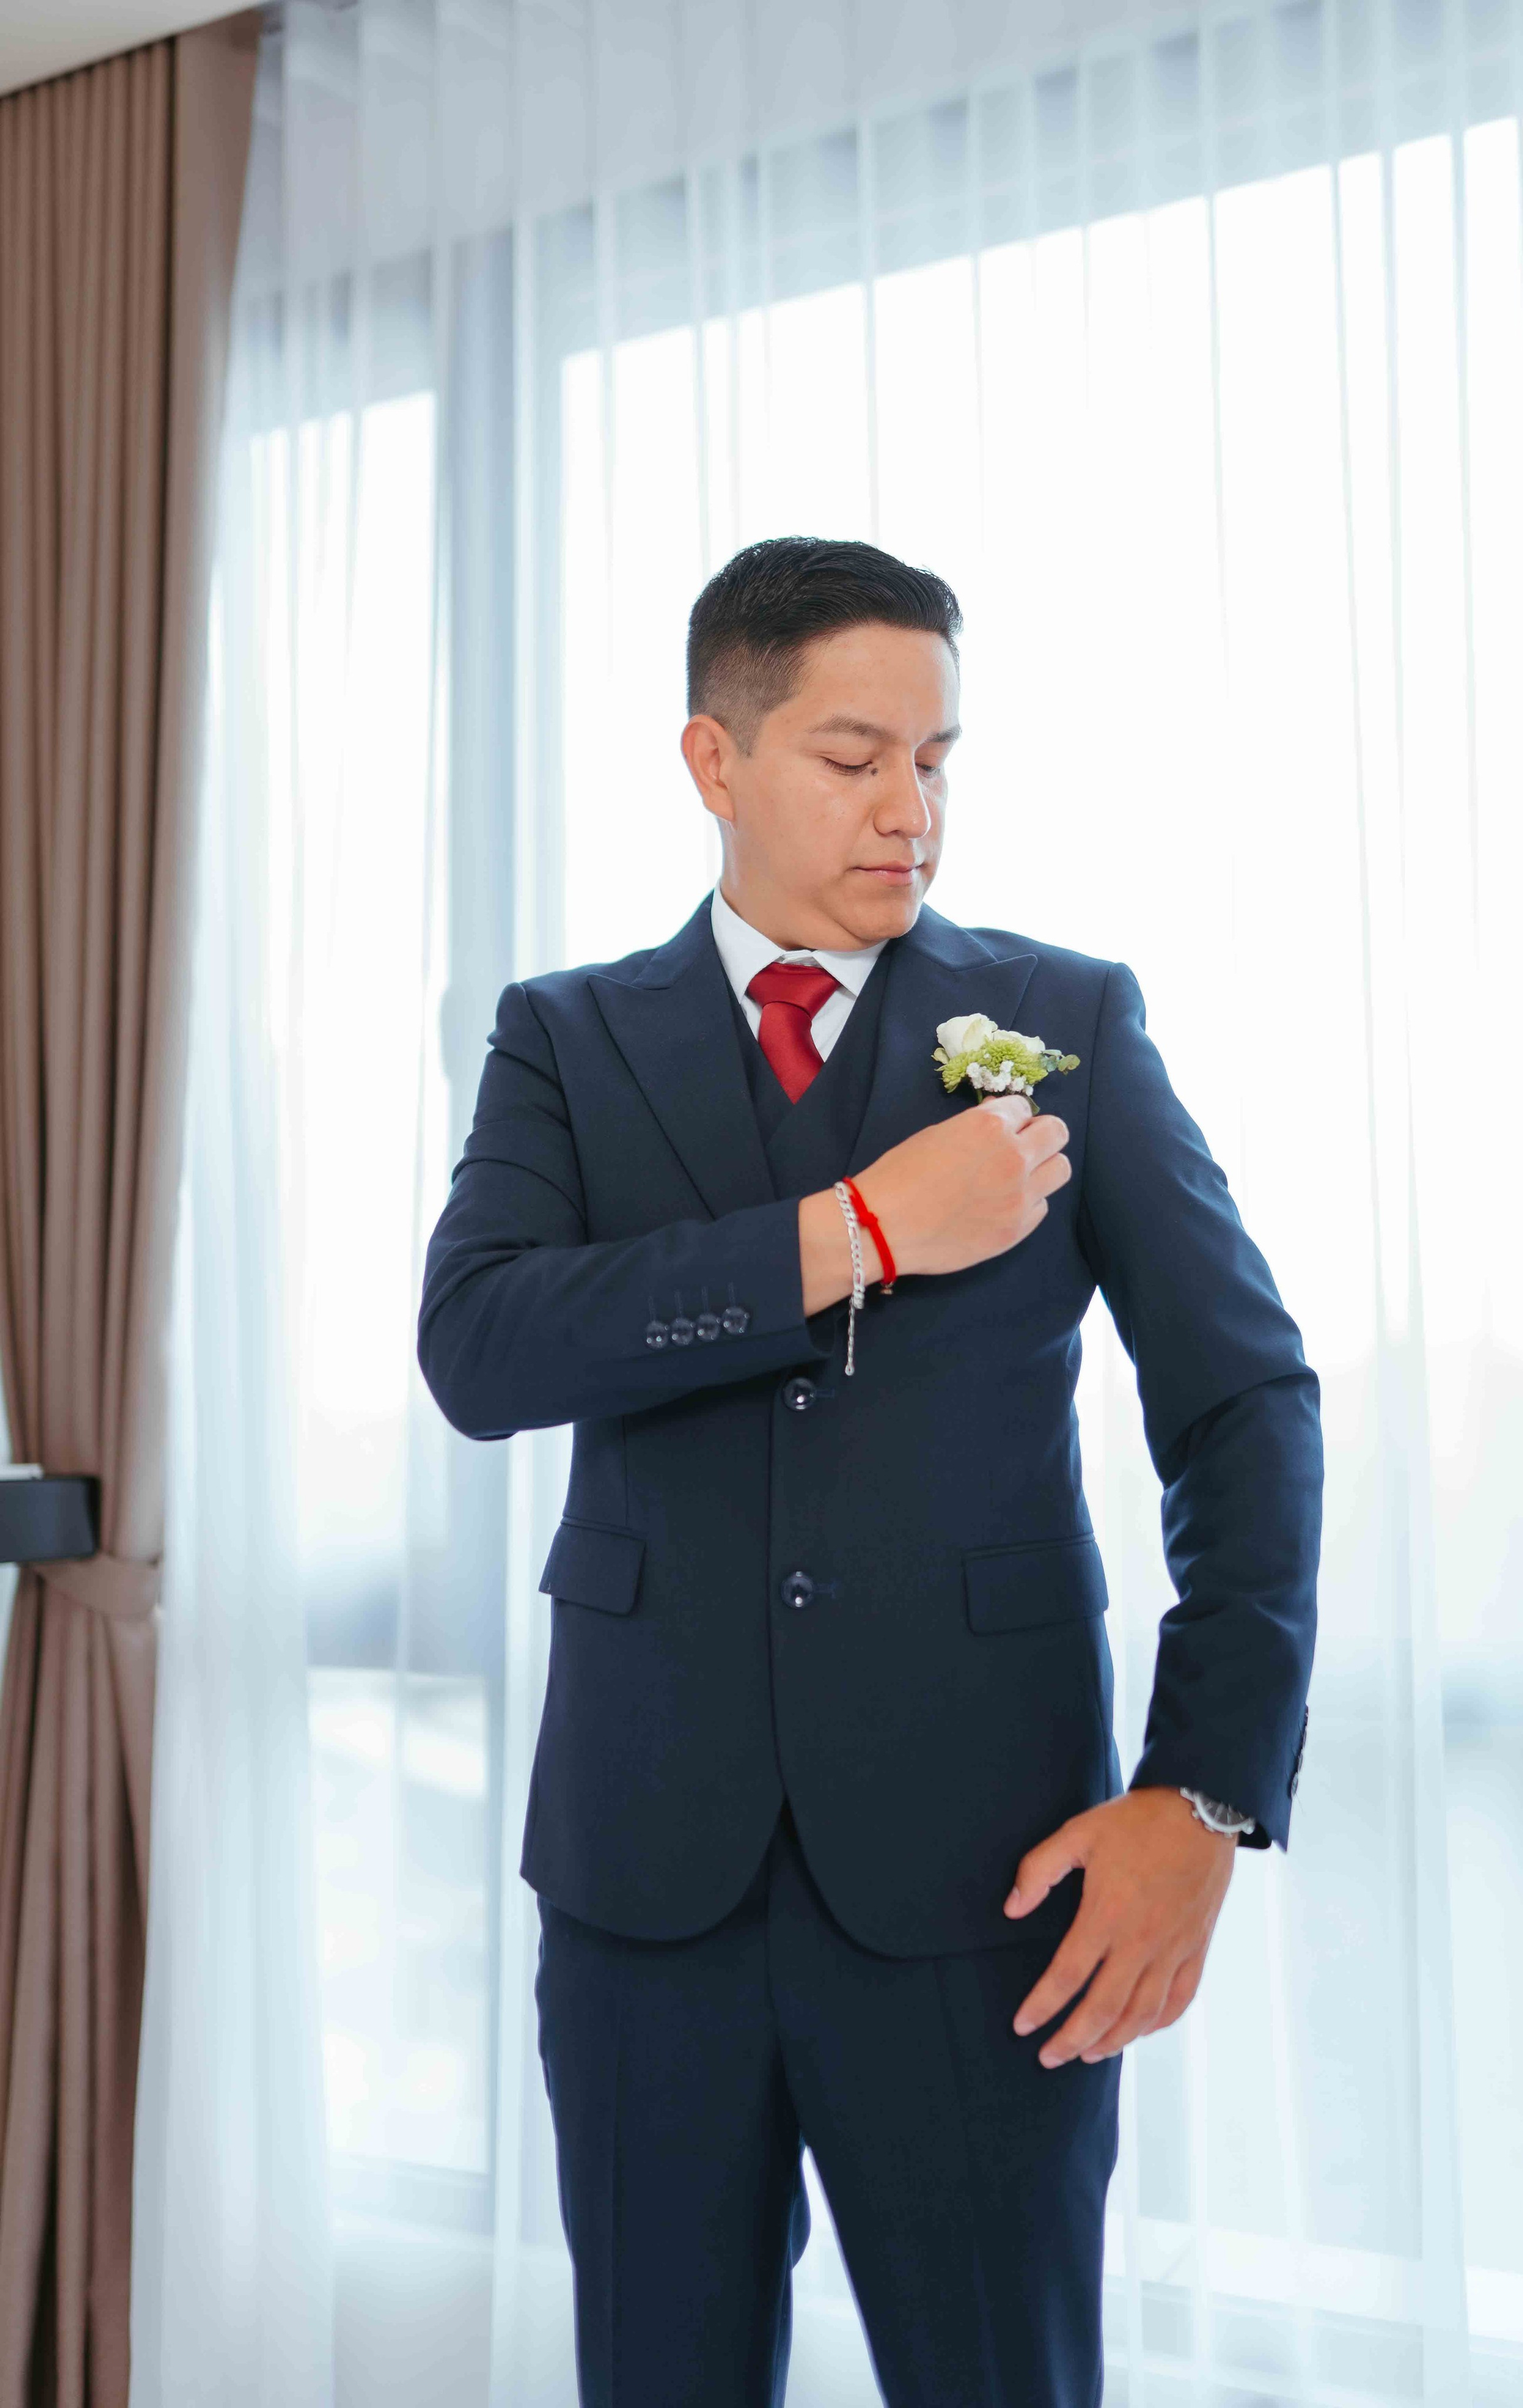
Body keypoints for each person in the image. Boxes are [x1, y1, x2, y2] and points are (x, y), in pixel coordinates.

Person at [417, 536, 1322, 2407]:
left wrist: (1206, 1797)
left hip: (985, 1894)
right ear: (713, 760)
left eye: (940, 757)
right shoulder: (565, 1041)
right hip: (642, 1895)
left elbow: (1248, 1405)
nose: (911, 810)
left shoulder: (1063, 1020)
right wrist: (858, 1232)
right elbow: (483, 1350)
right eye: (854, 756)